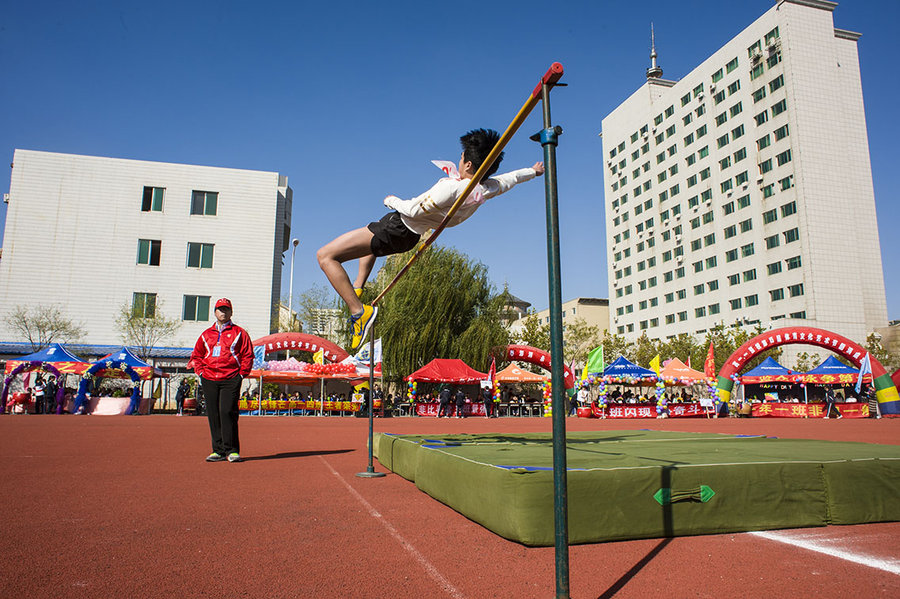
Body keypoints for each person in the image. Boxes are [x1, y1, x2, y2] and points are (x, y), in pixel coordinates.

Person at [316, 128, 545, 351]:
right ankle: (357, 287)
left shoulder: (453, 188)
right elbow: (510, 179)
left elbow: (413, 210)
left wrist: (391, 200)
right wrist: (532, 171)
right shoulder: (485, 189)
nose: (459, 158)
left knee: (326, 256)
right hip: (408, 235)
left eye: (462, 155)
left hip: (399, 226)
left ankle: (359, 312)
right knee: (368, 238)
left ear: (467, 164)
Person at [189, 298, 254, 463]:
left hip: (231, 377)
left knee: (227, 411)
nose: (223, 312)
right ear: (215, 312)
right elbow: (197, 355)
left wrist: (241, 374)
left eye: (226, 309)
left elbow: (247, 354)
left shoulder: (239, 333)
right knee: (213, 413)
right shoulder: (206, 334)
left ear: (231, 312)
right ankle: (217, 450)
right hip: (209, 378)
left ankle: (232, 450)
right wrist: (201, 372)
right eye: (220, 309)